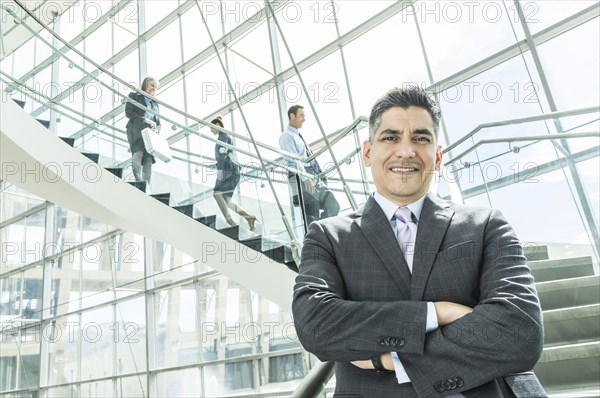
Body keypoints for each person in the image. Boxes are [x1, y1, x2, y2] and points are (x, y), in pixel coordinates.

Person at [291, 87, 546, 397]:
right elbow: (317, 326)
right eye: (391, 137)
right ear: (368, 153)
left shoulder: (486, 225)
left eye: (421, 139)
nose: (406, 151)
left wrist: (386, 360)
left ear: (436, 157)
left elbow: (520, 332)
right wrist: (436, 313)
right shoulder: (327, 236)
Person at [279, 105, 340, 226]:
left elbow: (308, 158)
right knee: (312, 217)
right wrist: (305, 177)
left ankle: (322, 228)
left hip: (313, 178)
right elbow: (292, 160)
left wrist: (320, 175)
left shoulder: (298, 136)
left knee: (334, 206)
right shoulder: (287, 136)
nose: (304, 119)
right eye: (301, 116)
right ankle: (317, 236)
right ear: (292, 116)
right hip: (303, 180)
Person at [211, 116, 258, 231]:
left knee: (217, 194)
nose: (211, 130)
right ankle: (249, 217)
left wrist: (219, 171)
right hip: (233, 169)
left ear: (217, 124)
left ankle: (230, 221)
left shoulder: (223, 137)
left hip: (228, 169)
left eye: (211, 127)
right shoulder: (227, 137)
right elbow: (227, 154)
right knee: (225, 198)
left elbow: (222, 157)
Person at [125, 77, 161, 184]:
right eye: (152, 85)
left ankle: (146, 185)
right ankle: (138, 181)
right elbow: (128, 112)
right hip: (137, 128)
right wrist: (145, 120)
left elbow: (158, 122)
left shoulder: (155, 104)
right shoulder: (134, 96)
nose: (153, 89)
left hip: (150, 133)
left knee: (148, 159)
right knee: (138, 152)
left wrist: (157, 129)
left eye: (155, 87)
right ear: (146, 85)